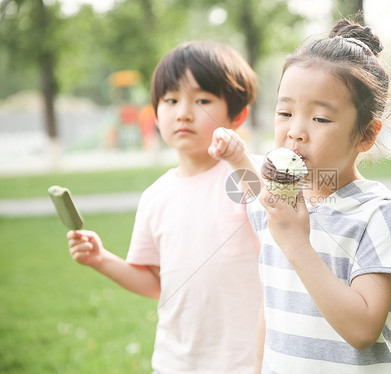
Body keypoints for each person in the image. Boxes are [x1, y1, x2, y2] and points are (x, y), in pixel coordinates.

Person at [211, 19, 391, 373]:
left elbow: (363, 330)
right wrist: (236, 157)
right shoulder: (279, 205)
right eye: (285, 113)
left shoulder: (375, 213)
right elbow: (272, 304)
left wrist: (297, 245)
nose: (295, 132)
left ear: (366, 136)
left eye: (320, 119)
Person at [67, 41, 262, 373]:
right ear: (155, 113)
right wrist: (101, 259)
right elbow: (156, 283)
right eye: (171, 100)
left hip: (248, 360)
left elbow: (276, 210)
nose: (183, 112)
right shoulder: (156, 196)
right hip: (177, 361)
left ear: (237, 114)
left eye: (202, 100)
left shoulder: (248, 175)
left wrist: (239, 159)